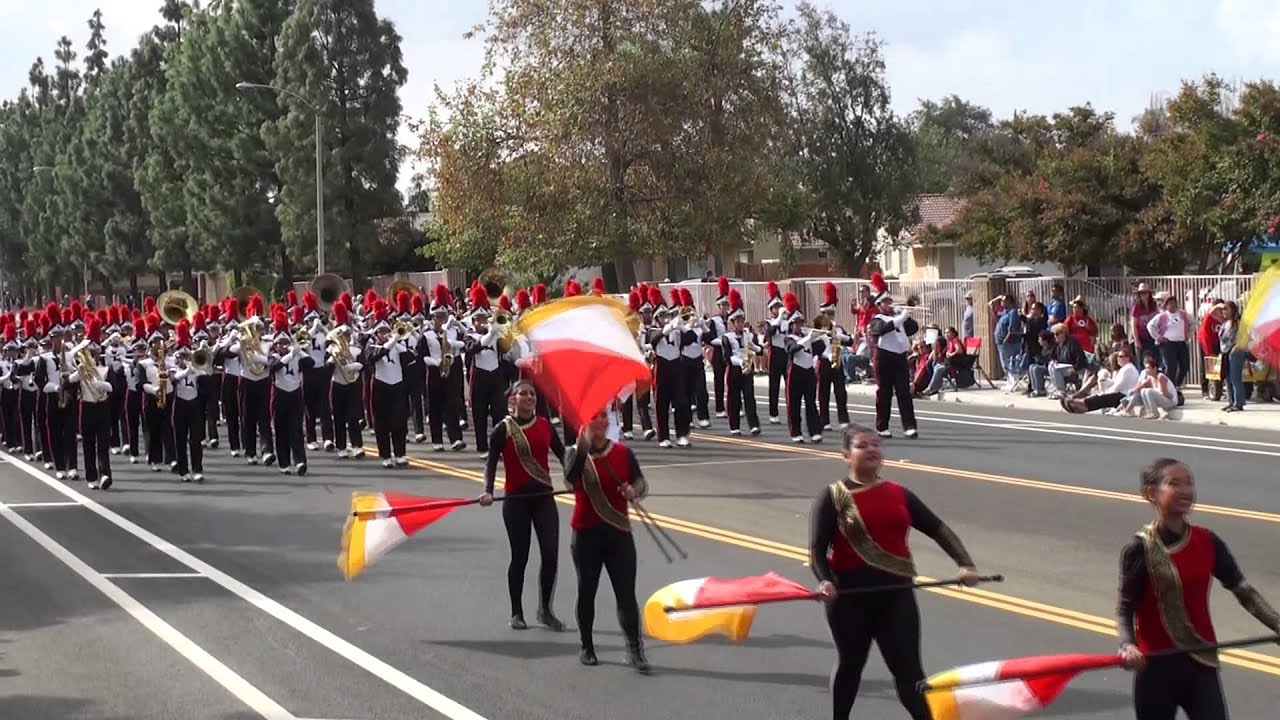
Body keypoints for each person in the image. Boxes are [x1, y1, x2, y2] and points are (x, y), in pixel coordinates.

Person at [808, 425, 981, 720]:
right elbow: (817, 550)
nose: (873, 450)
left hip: (896, 594)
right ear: (846, 455)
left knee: (910, 671)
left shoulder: (898, 493)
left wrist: (965, 564)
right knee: (851, 665)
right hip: (849, 596)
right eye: (863, 446)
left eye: (876, 444)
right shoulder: (833, 496)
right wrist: (825, 581)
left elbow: (938, 529)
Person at [1116, 458, 1280, 720]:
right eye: (1174, 483)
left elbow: (1244, 592)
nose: (1186, 491)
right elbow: (1126, 609)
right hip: (1156, 669)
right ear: (1151, 494)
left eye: (1190, 483)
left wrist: (1277, 623)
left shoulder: (1208, 541)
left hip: (1202, 665)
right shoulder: (1140, 549)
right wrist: (1127, 645)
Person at [563, 408, 650, 672]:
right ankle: (586, 646)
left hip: (619, 534)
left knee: (626, 595)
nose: (600, 420)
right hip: (586, 533)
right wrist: (582, 448)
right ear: (584, 422)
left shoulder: (623, 453)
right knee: (587, 591)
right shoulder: (573, 453)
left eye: (604, 416)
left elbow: (641, 483)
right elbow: (570, 481)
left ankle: (635, 651)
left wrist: (633, 491)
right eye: (594, 416)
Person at [479, 380, 568, 631]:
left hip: (544, 498)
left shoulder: (544, 425)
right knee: (520, 557)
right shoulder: (503, 429)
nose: (529, 397)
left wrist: (573, 478)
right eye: (523, 394)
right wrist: (487, 492)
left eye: (532, 394)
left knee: (550, 554)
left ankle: (545, 610)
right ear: (513, 399)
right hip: (515, 501)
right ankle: (516, 612)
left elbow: (562, 455)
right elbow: (491, 463)